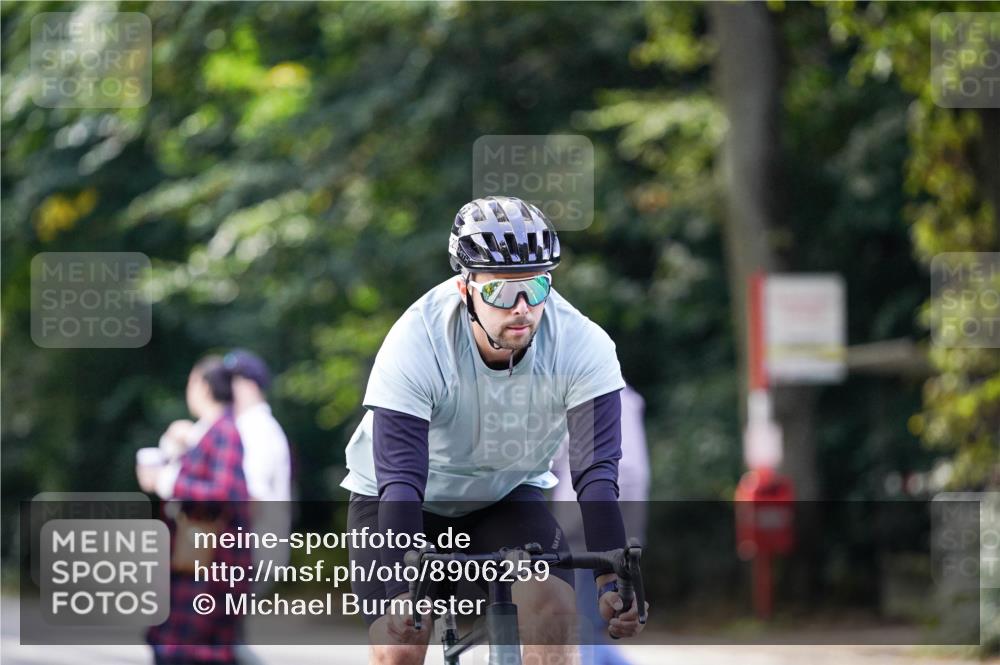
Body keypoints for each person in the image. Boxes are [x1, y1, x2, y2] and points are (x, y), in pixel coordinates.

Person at [341, 196, 649, 665]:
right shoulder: (416, 341)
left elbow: (595, 474)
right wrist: (401, 592)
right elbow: (400, 480)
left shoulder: (583, 346)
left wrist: (611, 579)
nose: (522, 308)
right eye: (501, 292)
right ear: (465, 288)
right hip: (404, 501)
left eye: (536, 286)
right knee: (401, 642)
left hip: (504, 495)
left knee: (554, 610)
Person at [138, 356, 251, 665]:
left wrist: (166, 481)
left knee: (189, 650)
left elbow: (225, 493)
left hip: (211, 565)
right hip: (199, 562)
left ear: (203, 386)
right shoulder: (212, 432)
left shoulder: (224, 432)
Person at [552, 383, 650, 665]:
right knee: (592, 617)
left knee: (585, 616)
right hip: (604, 515)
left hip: (589, 518)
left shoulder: (599, 395)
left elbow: (625, 469)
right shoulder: (622, 397)